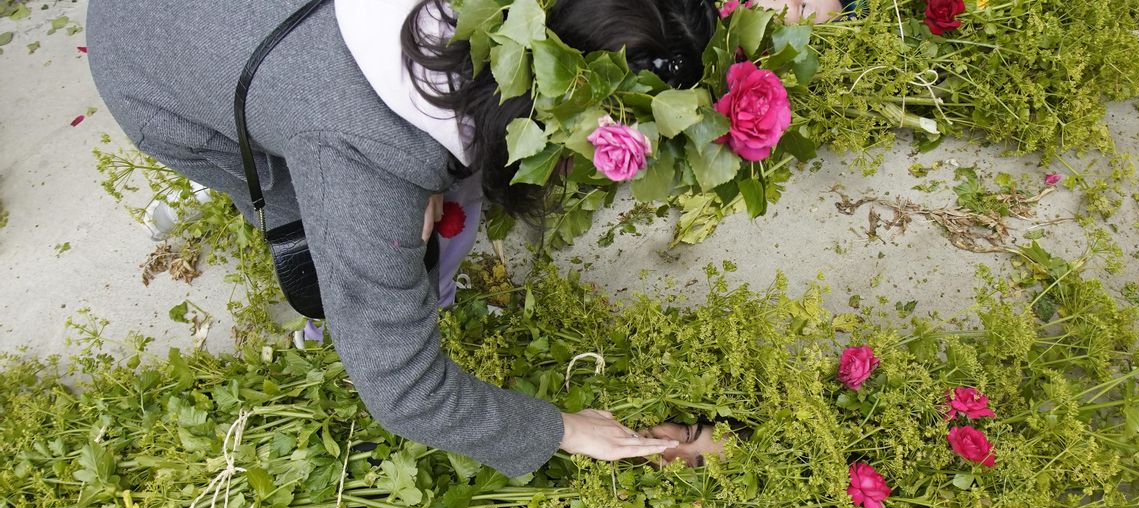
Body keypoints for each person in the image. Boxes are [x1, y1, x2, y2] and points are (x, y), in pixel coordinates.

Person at [85, 0, 717, 477]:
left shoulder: (505, 16)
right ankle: (334, 287)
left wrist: (429, 160)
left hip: (272, 40)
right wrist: (564, 429)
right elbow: (404, 390)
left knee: (416, 193)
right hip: (145, 51)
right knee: (307, 216)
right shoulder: (360, 161)